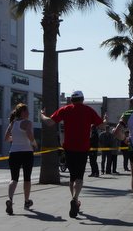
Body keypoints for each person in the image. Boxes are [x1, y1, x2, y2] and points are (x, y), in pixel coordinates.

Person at [40, 90, 106, 218]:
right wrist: (105, 119)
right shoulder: (88, 110)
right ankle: (75, 199)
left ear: (71, 100)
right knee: (79, 177)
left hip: (69, 148)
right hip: (82, 148)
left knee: (72, 176)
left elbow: (50, 122)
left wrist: (42, 115)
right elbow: (102, 126)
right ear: (82, 99)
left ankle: (75, 200)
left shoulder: (65, 109)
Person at [4, 103, 37, 215]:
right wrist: (34, 143)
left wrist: (16, 139)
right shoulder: (27, 122)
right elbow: (29, 134)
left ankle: (10, 200)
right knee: (27, 178)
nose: (28, 113)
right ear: (22, 112)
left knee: (14, 178)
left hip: (14, 153)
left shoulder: (12, 123)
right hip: (26, 152)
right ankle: (26, 201)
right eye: (27, 111)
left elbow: (6, 138)